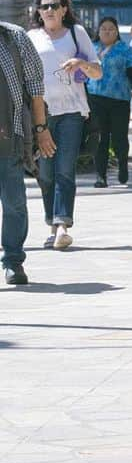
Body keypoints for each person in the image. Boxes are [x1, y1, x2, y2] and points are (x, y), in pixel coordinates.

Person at [27, 0, 101, 250]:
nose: (49, 10)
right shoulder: (31, 38)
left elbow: (97, 71)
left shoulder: (76, 33)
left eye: (54, 5)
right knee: (45, 173)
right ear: (38, 11)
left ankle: (62, 226)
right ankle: (52, 223)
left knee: (65, 169)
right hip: (41, 113)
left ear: (64, 9)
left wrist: (80, 63)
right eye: (44, 6)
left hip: (71, 112)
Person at [0, 21, 55, 284]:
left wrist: (41, 128)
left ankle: (13, 260)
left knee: (14, 203)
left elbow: (35, 88)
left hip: (8, 138)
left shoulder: (14, 37)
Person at [86, 16, 132, 187]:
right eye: (104, 28)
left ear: (117, 32)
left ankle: (122, 164)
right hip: (95, 99)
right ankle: (101, 176)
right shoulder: (91, 49)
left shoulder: (126, 50)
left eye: (111, 29)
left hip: (120, 100)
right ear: (98, 31)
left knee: (119, 138)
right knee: (100, 138)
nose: (107, 31)